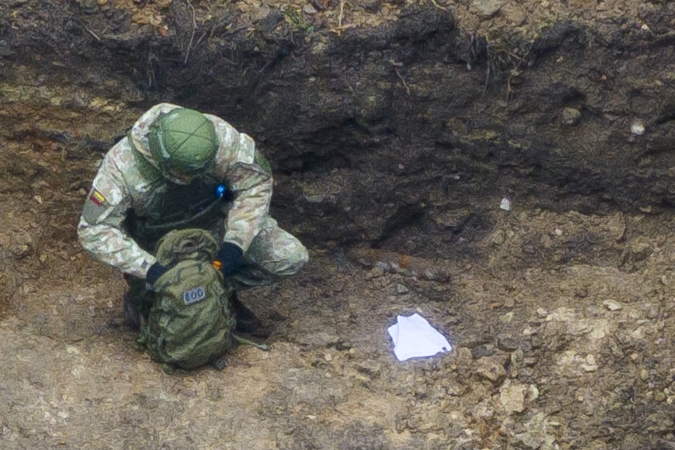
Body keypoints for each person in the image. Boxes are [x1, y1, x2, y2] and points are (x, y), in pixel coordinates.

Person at [77, 103, 308, 332]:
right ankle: (146, 297)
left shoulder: (220, 140)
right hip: (158, 249)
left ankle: (217, 295)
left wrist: (234, 245)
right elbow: (94, 229)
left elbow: (255, 185)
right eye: (183, 173)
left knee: (289, 256)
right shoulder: (121, 166)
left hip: (216, 229)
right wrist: (151, 270)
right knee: (168, 311)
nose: (190, 178)